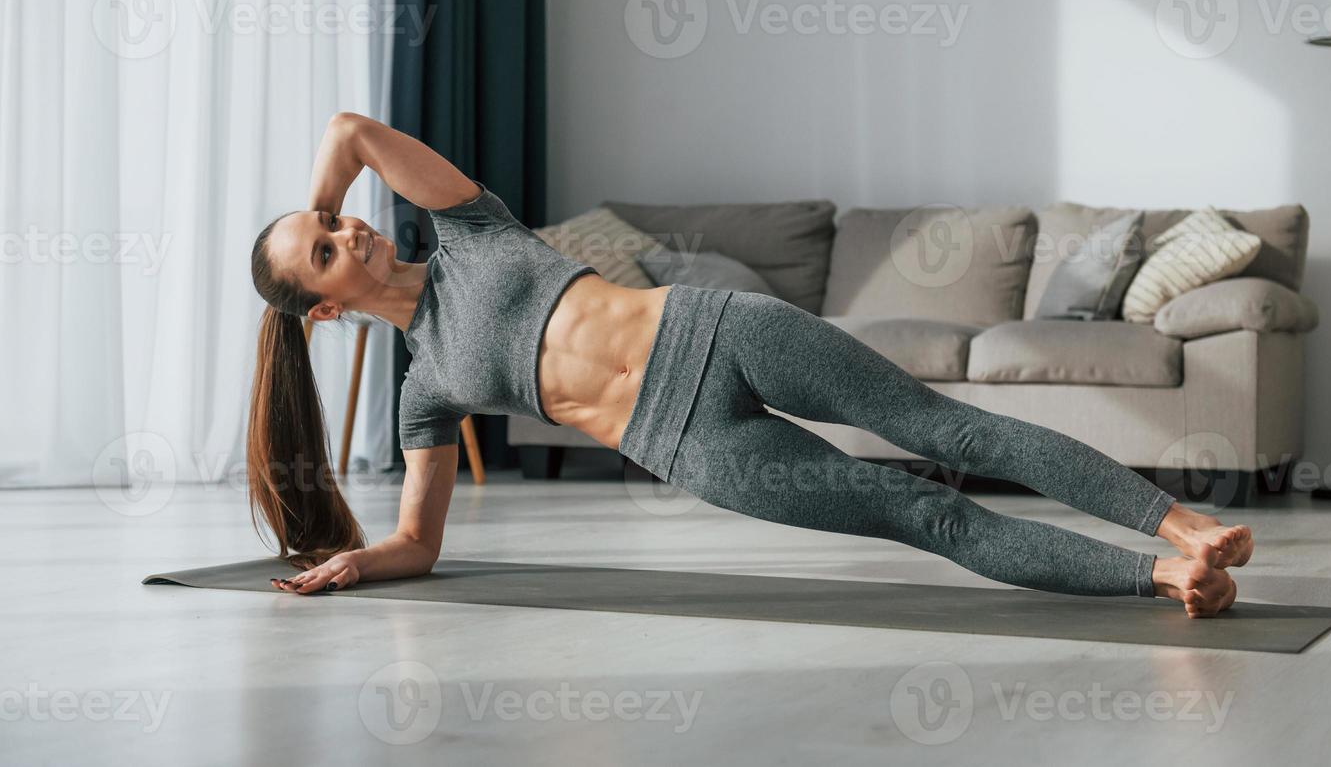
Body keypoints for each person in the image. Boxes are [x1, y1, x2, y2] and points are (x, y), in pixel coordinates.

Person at [248, 113, 1251, 618]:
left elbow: (348, 131)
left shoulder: (463, 225)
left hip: (721, 328)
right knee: (925, 514)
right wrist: (359, 560)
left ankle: (1182, 518)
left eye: (335, 221)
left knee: (955, 431)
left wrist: (306, 215)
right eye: (328, 251)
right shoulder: (425, 384)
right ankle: (1167, 575)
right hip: (692, 443)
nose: (352, 233)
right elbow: (420, 541)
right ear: (327, 307)